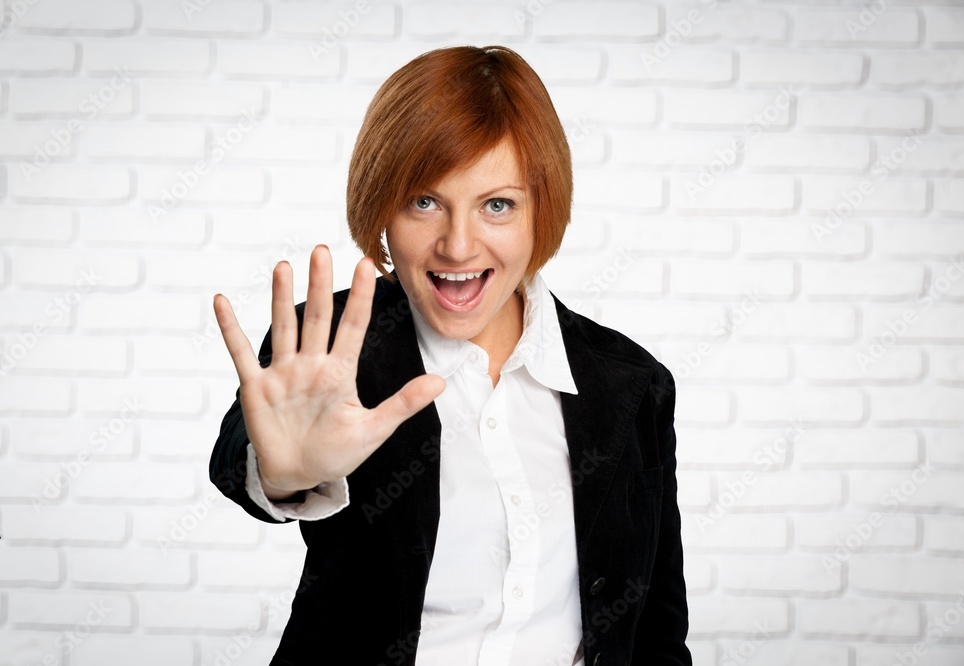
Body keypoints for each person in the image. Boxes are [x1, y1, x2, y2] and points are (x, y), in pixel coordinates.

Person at [210, 45, 691, 666]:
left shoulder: (633, 384)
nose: (458, 246)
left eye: (498, 205)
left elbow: (656, 631)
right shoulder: (330, 347)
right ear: (382, 208)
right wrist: (280, 476)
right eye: (424, 201)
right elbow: (245, 454)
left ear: (541, 209)